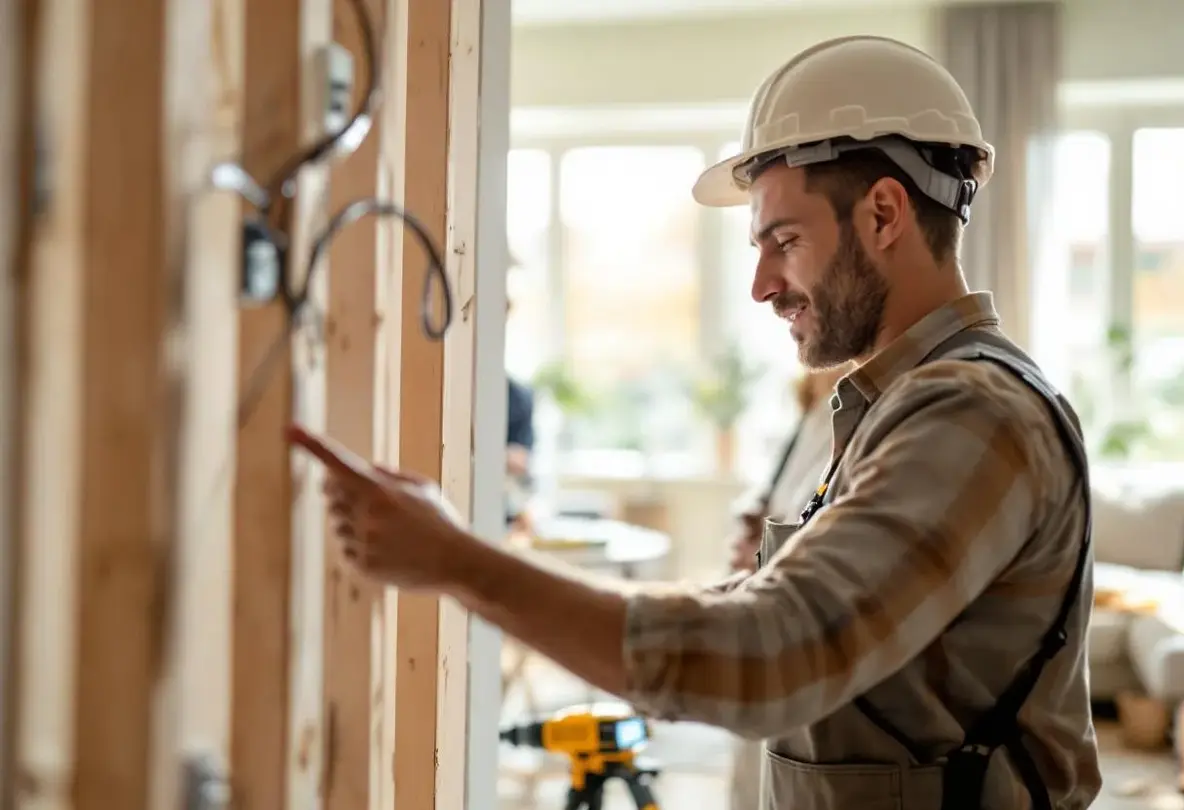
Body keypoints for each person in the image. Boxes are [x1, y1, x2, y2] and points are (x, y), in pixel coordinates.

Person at [290, 35, 1100, 810]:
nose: (761, 285)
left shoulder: (972, 412)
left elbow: (774, 654)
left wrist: (455, 561)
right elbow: (764, 610)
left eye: (784, 240)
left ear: (884, 215)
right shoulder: (896, 405)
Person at [724, 366, 846, 810]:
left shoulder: (859, 412)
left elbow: (821, 525)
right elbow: (784, 492)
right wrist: (755, 514)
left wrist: (765, 548)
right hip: (764, 610)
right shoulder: (811, 410)